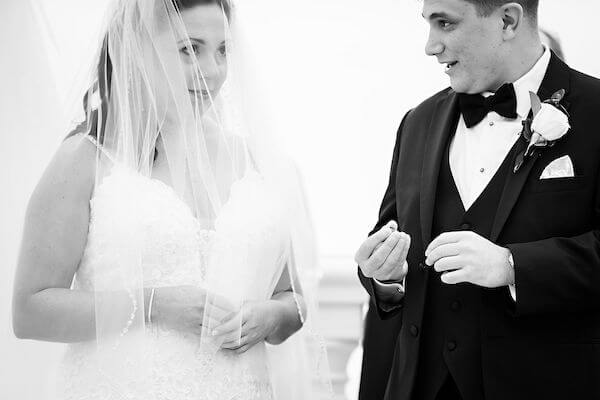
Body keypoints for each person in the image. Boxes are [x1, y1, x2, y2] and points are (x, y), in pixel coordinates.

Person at [11, 1, 330, 399]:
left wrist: (271, 316)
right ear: (138, 50)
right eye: (189, 49)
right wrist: (152, 305)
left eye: (222, 50)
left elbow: (293, 298)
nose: (212, 71)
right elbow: (30, 311)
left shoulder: (258, 165)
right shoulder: (86, 160)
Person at [355, 0, 600, 399]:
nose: (430, 46)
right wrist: (384, 276)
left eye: (445, 24)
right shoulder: (417, 122)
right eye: (428, 25)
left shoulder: (596, 111)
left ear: (507, 20)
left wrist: (513, 266)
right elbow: (391, 239)